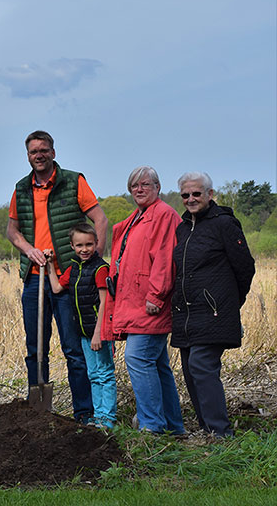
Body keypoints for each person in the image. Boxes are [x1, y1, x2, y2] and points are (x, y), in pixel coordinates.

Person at [6, 130, 108, 422]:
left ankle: (84, 413)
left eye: (43, 150)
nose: (38, 155)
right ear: (28, 156)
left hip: (67, 279)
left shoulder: (73, 181)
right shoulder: (22, 188)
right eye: (33, 151)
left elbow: (100, 218)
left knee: (73, 349)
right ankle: (39, 414)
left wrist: (95, 258)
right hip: (35, 278)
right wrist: (29, 250)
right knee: (35, 348)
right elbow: (13, 230)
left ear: (53, 152)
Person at [172, 172, 255, 437]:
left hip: (214, 311)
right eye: (186, 195)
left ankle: (221, 433)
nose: (191, 199)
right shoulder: (183, 228)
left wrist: (230, 301)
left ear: (209, 194)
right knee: (190, 369)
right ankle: (207, 429)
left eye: (196, 194)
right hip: (186, 313)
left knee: (201, 365)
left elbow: (245, 268)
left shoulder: (225, 224)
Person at [102, 165, 184, 434]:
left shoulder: (163, 215)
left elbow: (165, 258)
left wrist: (157, 296)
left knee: (137, 359)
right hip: (135, 303)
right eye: (134, 186)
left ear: (157, 188)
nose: (139, 189)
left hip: (149, 305)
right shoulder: (138, 218)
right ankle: (172, 426)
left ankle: (153, 426)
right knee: (158, 366)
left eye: (145, 185)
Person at [46, 223, 116, 428]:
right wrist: (50, 265)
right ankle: (97, 415)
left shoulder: (101, 269)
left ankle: (108, 417)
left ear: (96, 244)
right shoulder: (74, 268)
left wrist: (98, 333)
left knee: (104, 373)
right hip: (84, 332)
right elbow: (57, 287)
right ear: (72, 246)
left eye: (89, 244)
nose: (84, 249)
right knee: (92, 374)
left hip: (99, 332)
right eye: (79, 245)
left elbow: (105, 303)